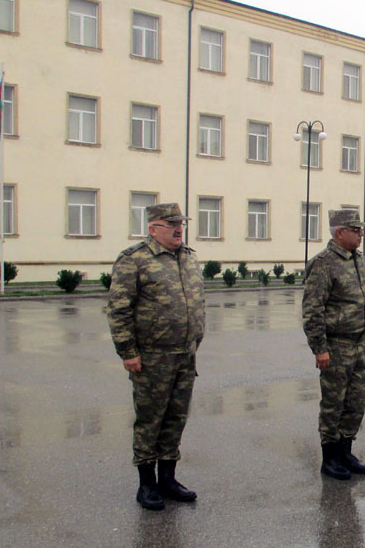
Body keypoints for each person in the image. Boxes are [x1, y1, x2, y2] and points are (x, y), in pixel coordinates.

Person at [107, 203, 205, 510]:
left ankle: (168, 478)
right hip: (151, 358)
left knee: (176, 419)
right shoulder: (134, 260)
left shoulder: (188, 257)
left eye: (181, 224)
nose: (179, 229)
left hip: (184, 355)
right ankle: (147, 484)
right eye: (171, 224)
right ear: (153, 228)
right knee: (150, 420)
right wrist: (128, 352)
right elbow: (119, 309)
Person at [302, 209, 365, 481]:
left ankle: (346, 451)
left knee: (356, 403)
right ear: (339, 233)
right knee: (334, 403)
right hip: (336, 345)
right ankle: (330, 458)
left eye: (361, 229)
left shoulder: (359, 260)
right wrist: (319, 348)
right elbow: (313, 310)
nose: (361, 234)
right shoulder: (324, 263)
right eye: (356, 230)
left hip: (359, 344)